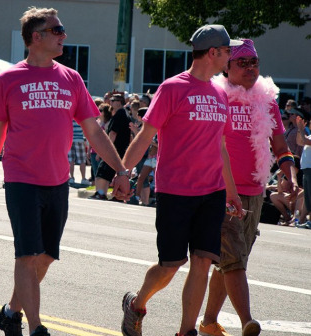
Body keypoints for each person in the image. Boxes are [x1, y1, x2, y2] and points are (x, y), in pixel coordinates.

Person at [0, 7, 130, 336]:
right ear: (36, 37)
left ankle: (12, 311)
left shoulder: (71, 78)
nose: (63, 36)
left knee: (46, 256)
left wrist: (121, 170)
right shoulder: (8, 79)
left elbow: (95, 131)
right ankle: (36, 327)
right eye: (57, 30)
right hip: (21, 179)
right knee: (27, 254)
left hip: (58, 181)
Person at [114, 24, 243, 336]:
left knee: (202, 262)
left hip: (211, 193)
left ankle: (187, 331)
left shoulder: (220, 93)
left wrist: (232, 192)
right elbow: (146, 135)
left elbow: (221, 148)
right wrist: (123, 172)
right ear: (213, 53)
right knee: (171, 265)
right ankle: (137, 303)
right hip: (175, 191)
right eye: (227, 51)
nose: (230, 57)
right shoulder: (172, 88)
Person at [198, 39, 298, 336]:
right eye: (242, 62)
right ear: (226, 66)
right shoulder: (215, 95)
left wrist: (288, 174)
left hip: (255, 192)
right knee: (234, 260)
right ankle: (247, 322)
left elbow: (280, 146)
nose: (250, 68)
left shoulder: (266, 100)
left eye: (254, 62)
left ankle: (209, 322)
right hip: (221, 189)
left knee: (229, 262)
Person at [89, 93, 131, 200]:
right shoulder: (123, 114)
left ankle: (101, 193)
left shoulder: (119, 114)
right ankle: (103, 193)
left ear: (119, 102)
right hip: (120, 149)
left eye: (112, 100)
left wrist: (106, 150)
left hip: (115, 149)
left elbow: (113, 134)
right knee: (107, 171)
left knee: (102, 171)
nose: (110, 102)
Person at [68, 120, 90, 185]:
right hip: (79, 139)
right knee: (82, 160)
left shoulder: (69, 118)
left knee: (71, 160)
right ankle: (83, 178)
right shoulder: (79, 119)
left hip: (70, 140)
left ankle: (71, 178)